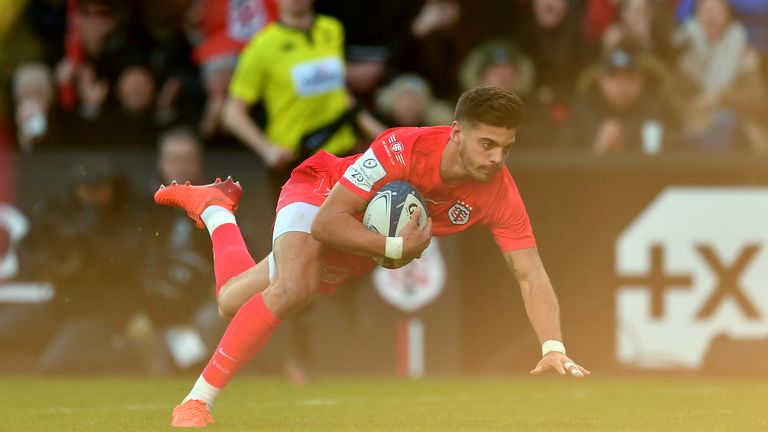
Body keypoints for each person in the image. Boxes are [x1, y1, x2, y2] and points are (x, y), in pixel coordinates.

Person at [155, 86, 591, 428]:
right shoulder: (403, 147)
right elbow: (327, 223)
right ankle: (196, 403)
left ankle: (214, 209)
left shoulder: (500, 193)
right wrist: (395, 248)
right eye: (487, 145)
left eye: (506, 148)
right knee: (294, 288)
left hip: (362, 242)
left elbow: (530, 273)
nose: (497, 159)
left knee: (231, 301)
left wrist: (553, 345)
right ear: (458, 133)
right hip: (322, 193)